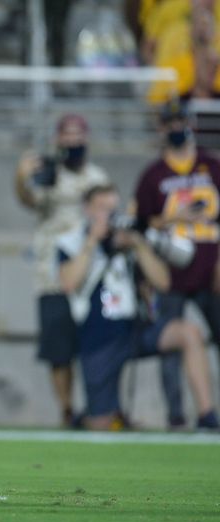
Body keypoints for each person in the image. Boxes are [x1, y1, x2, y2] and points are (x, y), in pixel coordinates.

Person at [58, 184, 219, 430]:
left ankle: (207, 415)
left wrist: (139, 245)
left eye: (113, 208)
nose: (109, 215)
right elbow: (68, 282)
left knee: (189, 332)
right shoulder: (72, 241)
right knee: (102, 423)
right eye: (102, 209)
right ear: (87, 210)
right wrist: (92, 240)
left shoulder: (129, 237)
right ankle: (88, 415)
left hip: (135, 330)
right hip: (98, 337)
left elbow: (163, 282)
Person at [14, 114, 110, 427]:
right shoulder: (50, 174)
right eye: (66, 134)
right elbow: (29, 198)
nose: (72, 141)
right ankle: (67, 410)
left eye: (78, 134)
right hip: (52, 274)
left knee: (94, 346)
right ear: (58, 140)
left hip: (90, 274)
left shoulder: (97, 177)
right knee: (59, 350)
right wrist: (21, 176)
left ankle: (100, 408)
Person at [134, 99, 220, 430]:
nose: (176, 129)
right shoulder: (152, 175)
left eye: (180, 121)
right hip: (170, 275)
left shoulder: (211, 166)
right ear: (161, 129)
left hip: (210, 269)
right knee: (171, 344)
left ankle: (208, 412)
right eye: (169, 124)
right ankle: (176, 415)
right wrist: (172, 218)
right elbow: (139, 227)